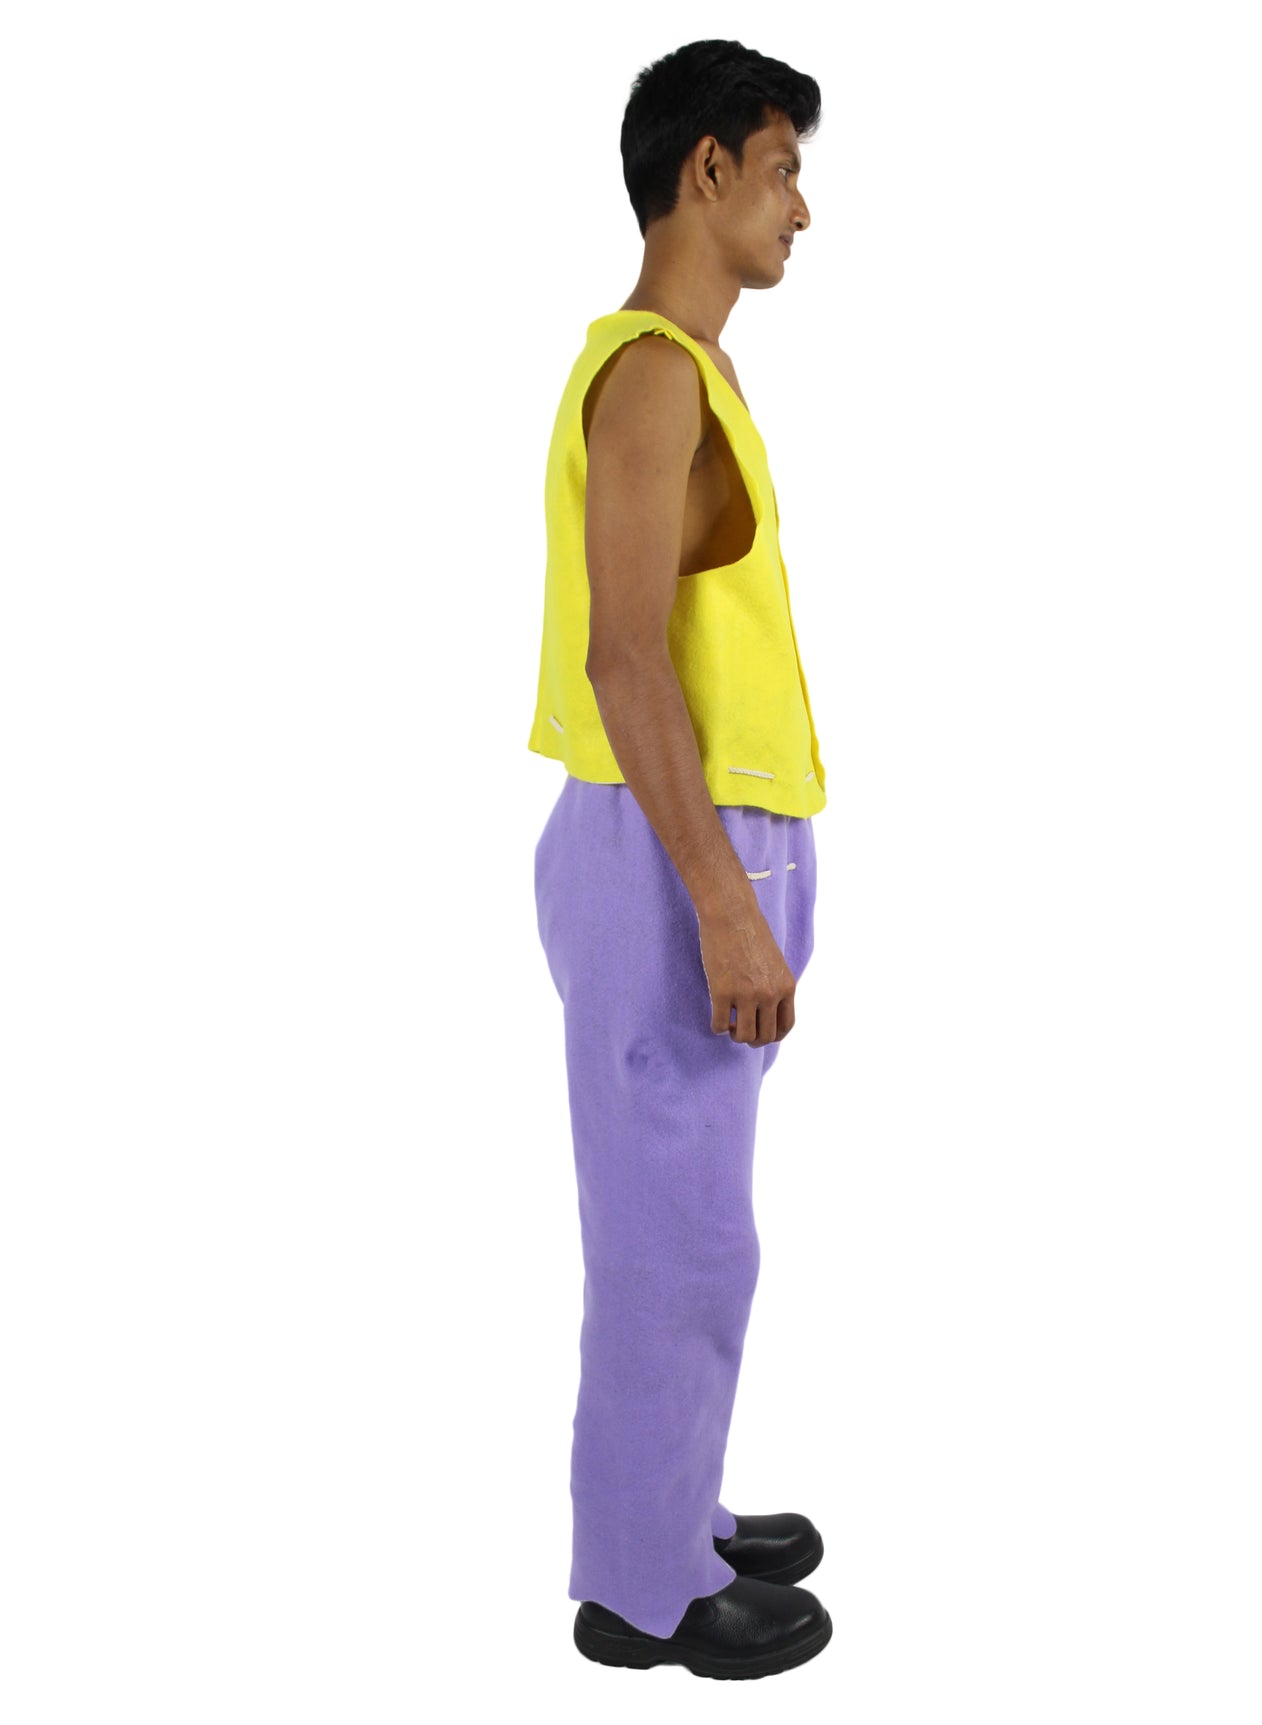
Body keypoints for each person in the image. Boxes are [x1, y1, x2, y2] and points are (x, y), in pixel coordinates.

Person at [528, 39, 833, 1681]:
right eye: (780, 168)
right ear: (702, 171)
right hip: (672, 853)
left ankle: (674, 1508)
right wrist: (724, 899)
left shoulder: (689, 372)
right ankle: (642, 1590)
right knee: (680, 1234)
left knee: (688, 1210)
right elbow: (624, 660)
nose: (799, 207)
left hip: (694, 843)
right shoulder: (652, 372)